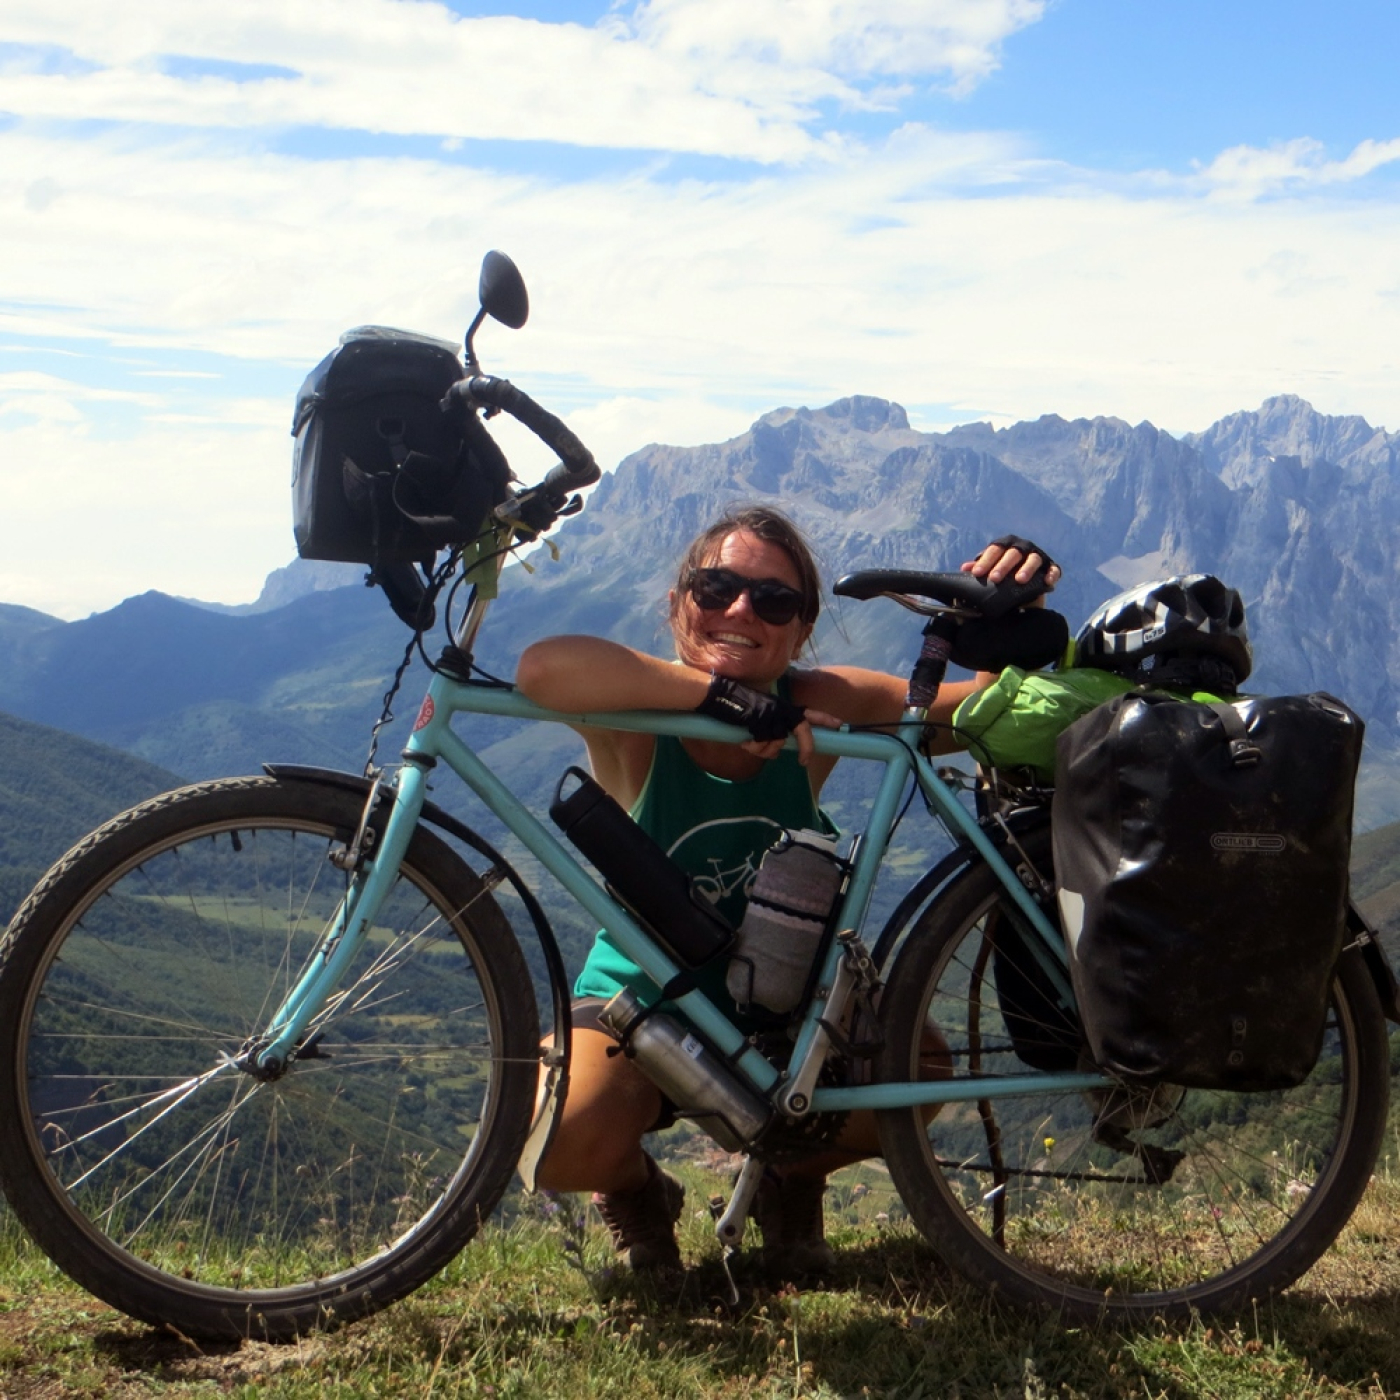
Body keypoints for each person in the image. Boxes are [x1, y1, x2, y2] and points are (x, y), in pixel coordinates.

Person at [515, 505, 1058, 1276]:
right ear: (678, 605)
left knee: (920, 1069)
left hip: (786, 1015)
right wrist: (715, 699)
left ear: (800, 631)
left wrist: (1020, 614)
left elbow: (965, 715)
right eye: (716, 588)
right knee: (564, 1137)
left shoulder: (820, 703)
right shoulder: (636, 718)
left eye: (774, 601)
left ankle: (788, 1174)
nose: (740, 611)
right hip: (641, 1005)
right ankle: (638, 1192)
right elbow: (541, 669)